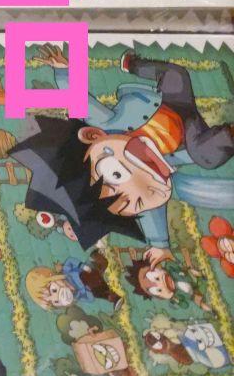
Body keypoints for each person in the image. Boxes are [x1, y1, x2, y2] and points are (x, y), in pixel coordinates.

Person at [12, 46, 234, 260]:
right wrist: (159, 245)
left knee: (177, 75)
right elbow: (149, 205)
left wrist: (63, 71)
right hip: (190, 131)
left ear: (93, 135)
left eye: (115, 174)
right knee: (205, 156)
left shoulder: (106, 125)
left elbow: (80, 101)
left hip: (166, 102)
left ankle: (132, 63)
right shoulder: (146, 180)